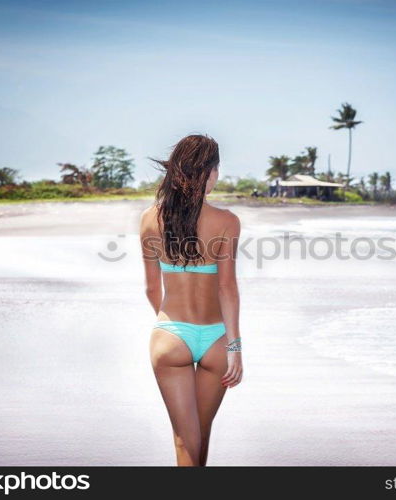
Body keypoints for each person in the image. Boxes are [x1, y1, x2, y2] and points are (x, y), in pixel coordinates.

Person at [139, 134, 243, 466]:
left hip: (171, 336)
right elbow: (227, 288)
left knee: (188, 440)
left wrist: (170, 325)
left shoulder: (150, 219)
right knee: (199, 436)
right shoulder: (226, 221)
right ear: (210, 172)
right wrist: (235, 348)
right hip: (215, 339)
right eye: (216, 170)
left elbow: (151, 289)